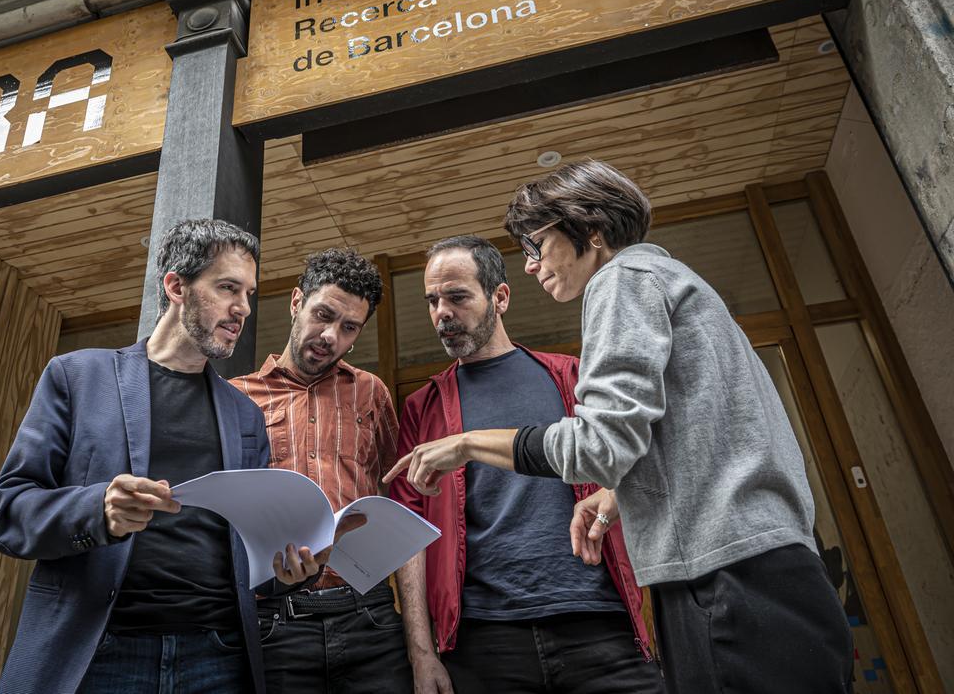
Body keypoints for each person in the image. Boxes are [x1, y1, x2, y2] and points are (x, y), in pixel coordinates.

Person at [385, 161, 854, 694]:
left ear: (592, 231)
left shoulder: (620, 282)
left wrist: (467, 443)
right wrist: (616, 497)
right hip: (768, 568)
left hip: (725, 580)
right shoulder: (674, 282)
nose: (534, 266)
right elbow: (679, 435)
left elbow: (600, 445)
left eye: (538, 246)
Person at [0, 219, 333, 694]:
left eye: (249, 294)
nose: (243, 309)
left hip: (218, 657)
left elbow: (249, 559)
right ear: (176, 286)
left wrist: (288, 574)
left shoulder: (245, 416)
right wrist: (97, 509)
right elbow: (6, 512)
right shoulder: (77, 377)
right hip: (101, 651)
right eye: (228, 288)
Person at [389, 235, 661, 694]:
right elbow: (407, 535)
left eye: (457, 297)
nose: (442, 313)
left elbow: (641, 460)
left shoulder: (573, 377)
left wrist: (613, 496)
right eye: (432, 301)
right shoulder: (423, 408)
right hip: (483, 641)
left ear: (500, 296)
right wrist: (422, 655)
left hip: (599, 625)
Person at [232, 248, 413, 693]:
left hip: (368, 614)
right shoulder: (236, 398)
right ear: (296, 302)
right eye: (323, 315)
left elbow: (402, 499)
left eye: (349, 327)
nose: (331, 335)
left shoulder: (371, 393)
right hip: (274, 622)